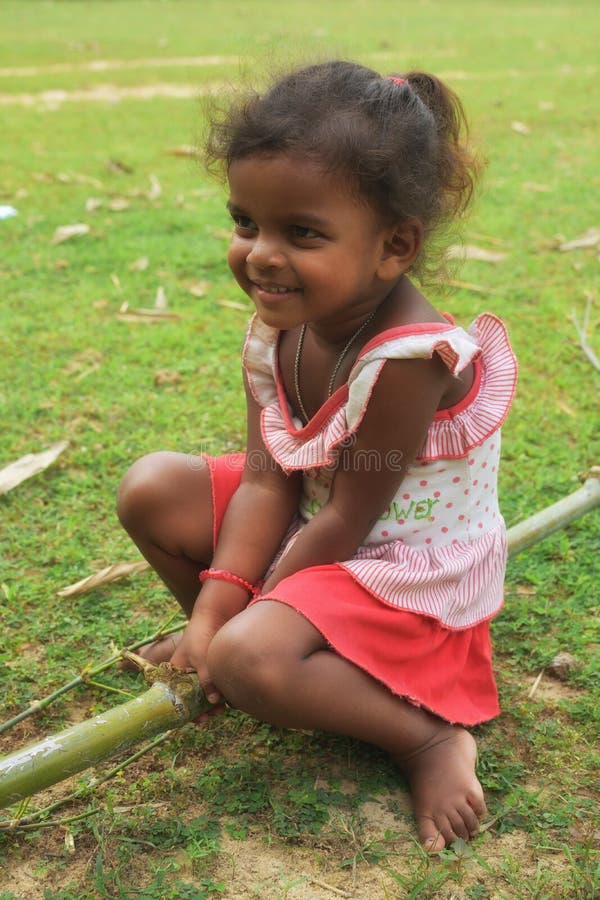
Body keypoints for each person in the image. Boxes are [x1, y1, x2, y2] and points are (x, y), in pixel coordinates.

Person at [117, 60, 517, 852]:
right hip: (315, 524)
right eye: (245, 222)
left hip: (403, 570)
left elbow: (348, 515)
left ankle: (421, 737)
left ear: (394, 246)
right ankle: (232, 647)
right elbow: (268, 474)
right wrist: (215, 603)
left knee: (248, 654)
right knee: (152, 489)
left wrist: (244, 617)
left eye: (301, 233)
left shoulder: (409, 359)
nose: (261, 256)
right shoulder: (284, 320)